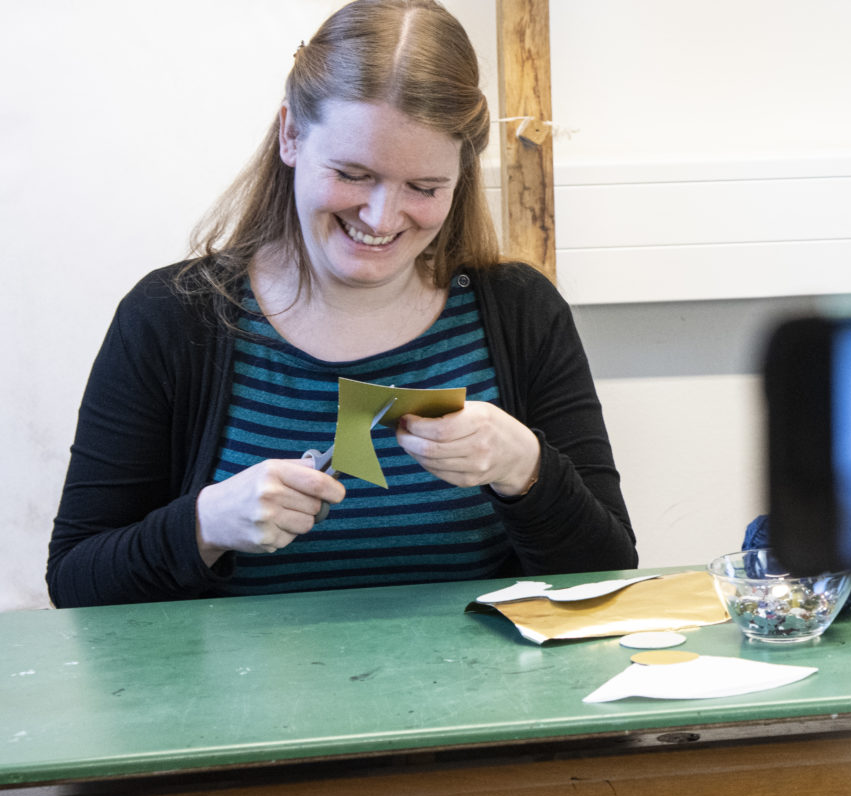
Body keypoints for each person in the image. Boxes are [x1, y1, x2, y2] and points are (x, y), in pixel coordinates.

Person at [47, 0, 636, 608]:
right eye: (354, 174)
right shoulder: (171, 317)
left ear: (461, 176)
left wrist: (526, 470)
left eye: (424, 187)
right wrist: (205, 526)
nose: (382, 217)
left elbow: (606, 578)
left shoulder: (519, 311)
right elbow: (74, 584)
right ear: (291, 135)